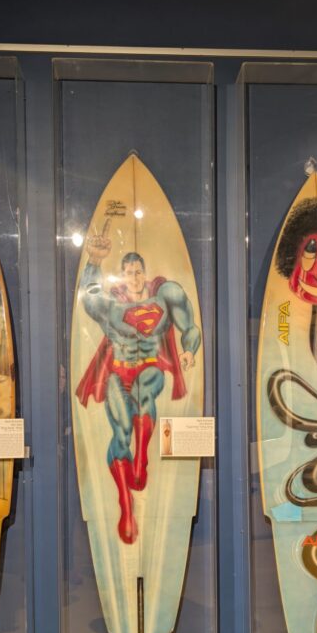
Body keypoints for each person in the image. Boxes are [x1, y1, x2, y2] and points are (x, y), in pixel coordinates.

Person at [75, 232, 201, 544]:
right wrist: (94, 260)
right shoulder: (111, 305)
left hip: (150, 365)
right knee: (120, 434)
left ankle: (142, 456)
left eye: (138, 271)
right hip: (118, 371)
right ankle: (125, 505)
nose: (134, 277)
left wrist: (189, 349)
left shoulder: (165, 295)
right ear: (123, 275)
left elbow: (189, 324)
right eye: (129, 272)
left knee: (145, 393)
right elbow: (88, 298)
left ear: (145, 273)